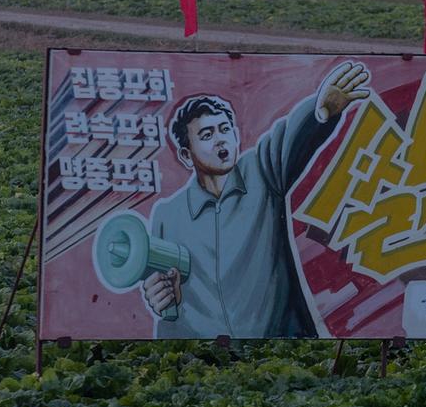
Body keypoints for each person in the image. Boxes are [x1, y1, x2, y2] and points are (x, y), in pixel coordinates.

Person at [142, 62, 371, 339]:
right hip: (198, 352)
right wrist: (160, 297)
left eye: (225, 129)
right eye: (207, 135)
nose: (220, 140)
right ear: (185, 155)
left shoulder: (261, 170)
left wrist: (320, 111)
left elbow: (288, 136)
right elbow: (163, 293)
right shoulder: (168, 215)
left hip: (281, 346)